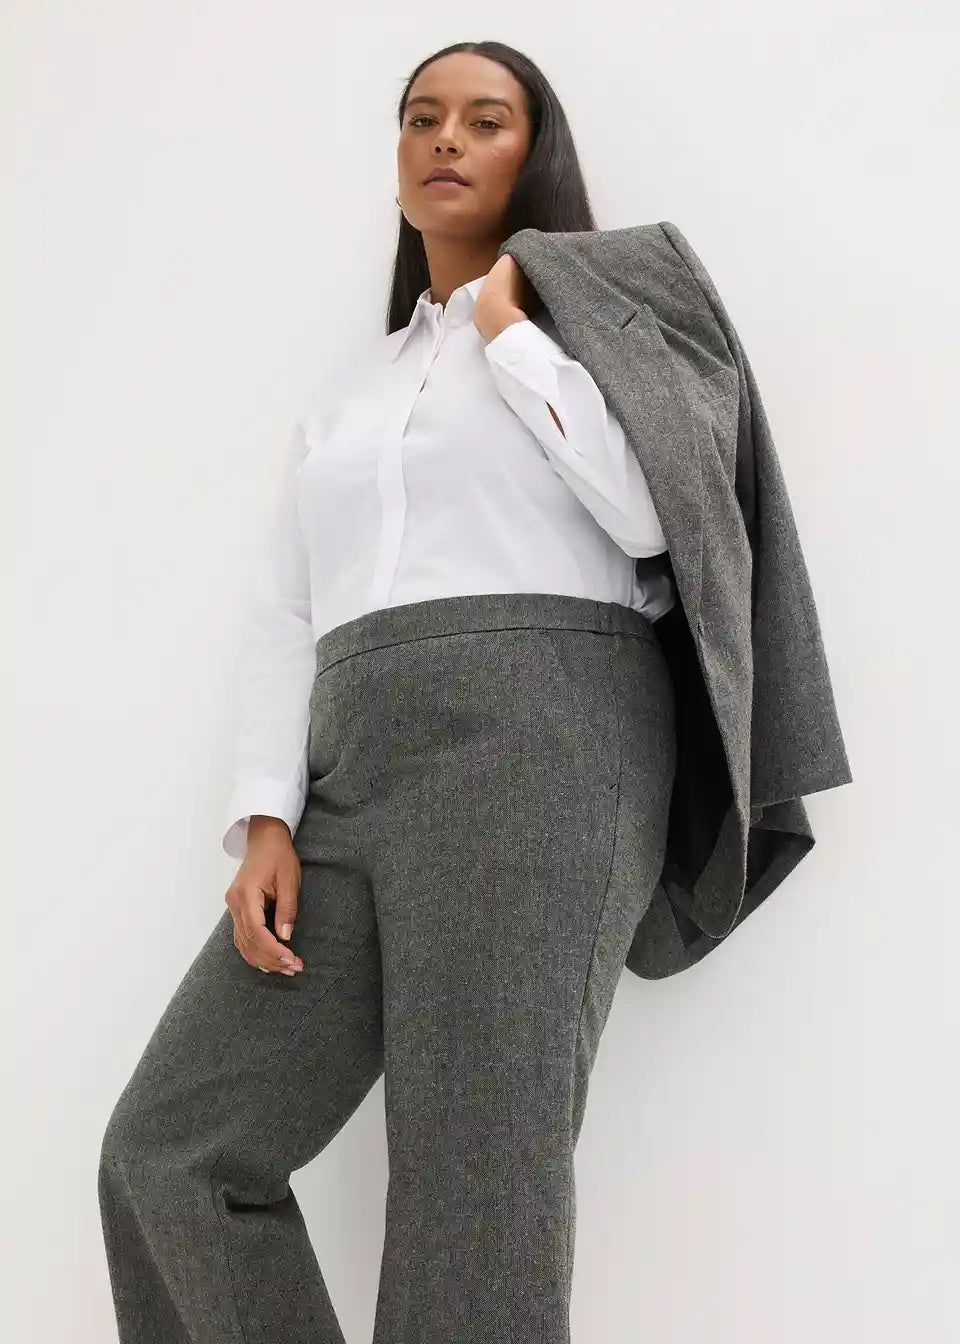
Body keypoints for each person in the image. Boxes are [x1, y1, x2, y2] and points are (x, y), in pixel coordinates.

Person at [97, 40, 679, 1344]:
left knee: (477, 1166)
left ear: (535, 154)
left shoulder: (584, 345)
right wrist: (267, 814)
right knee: (171, 1154)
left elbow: (653, 522)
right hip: (353, 778)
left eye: (485, 119)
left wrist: (514, 328)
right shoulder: (350, 393)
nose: (447, 138)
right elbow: (290, 608)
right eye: (423, 116)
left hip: (540, 752)